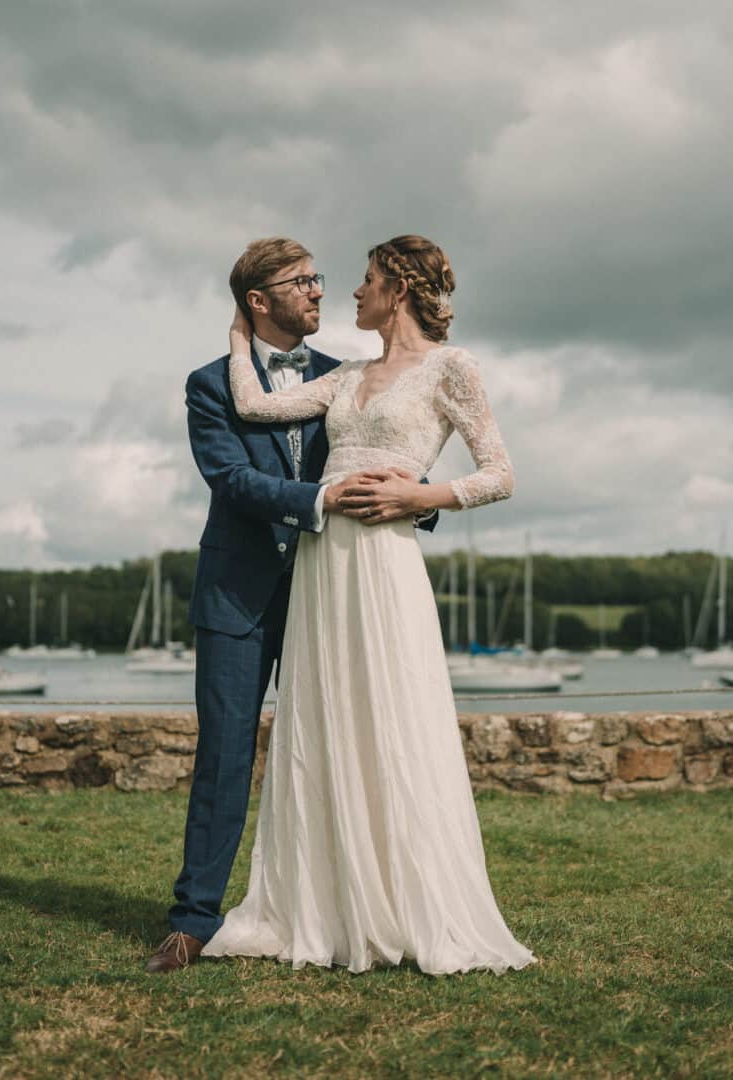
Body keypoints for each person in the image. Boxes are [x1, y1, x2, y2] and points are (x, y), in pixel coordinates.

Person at [201, 234, 534, 975]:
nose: (351, 292)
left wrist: (422, 494)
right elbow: (252, 404)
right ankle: (324, 902)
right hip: (324, 563)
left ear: (401, 289)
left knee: (392, 714)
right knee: (324, 718)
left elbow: (500, 473)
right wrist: (236, 329)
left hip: (384, 560)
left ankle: (407, 901)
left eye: (366, 280)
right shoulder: (346, 375)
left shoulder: (452, 367)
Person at [146, 237, 436, 974]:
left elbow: (388, 454)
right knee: (224, 755)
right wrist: (320, 498)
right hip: (238, 596)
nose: (317, 292)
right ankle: (192, 919)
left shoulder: (351, 378)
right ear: (257, 299)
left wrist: (413, 497)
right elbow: (232, 480)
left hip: (334, 592)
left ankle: (345, 911)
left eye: (319, 280)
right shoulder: (210, 385)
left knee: (345, 748)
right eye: (300, 281)